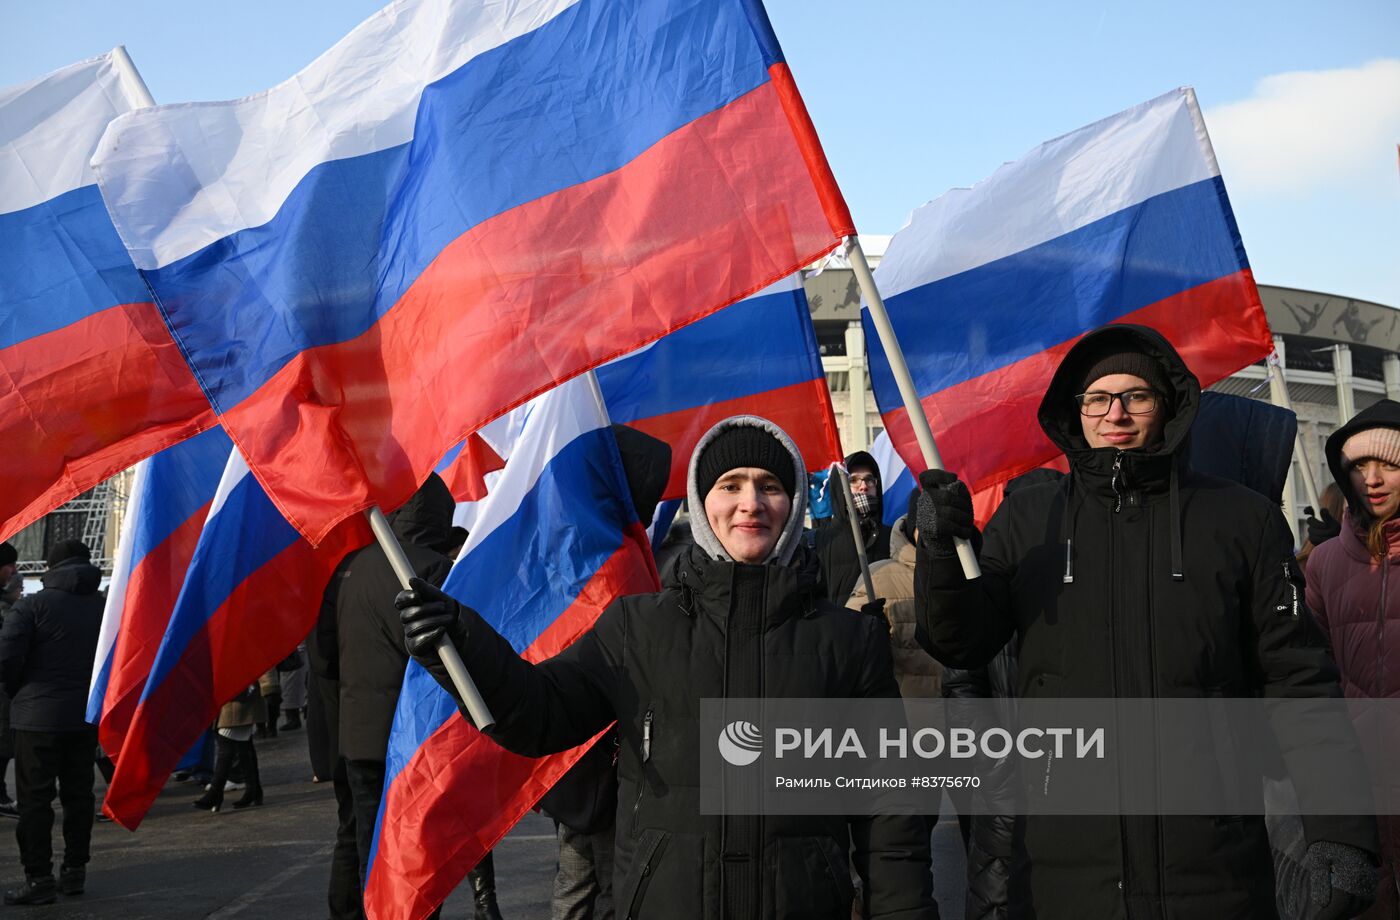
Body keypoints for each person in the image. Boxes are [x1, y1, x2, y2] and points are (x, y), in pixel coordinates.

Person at [913, 323, 1379, 919]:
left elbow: (1300, 683)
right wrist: (939, 551)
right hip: (1066, 863)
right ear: (1074, 411)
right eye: (1098, 398)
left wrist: (1340, 829)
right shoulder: (1030, 518)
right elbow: (959, 638)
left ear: (1169, 406)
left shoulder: (1243, 520)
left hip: (1213, 862)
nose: (1117, 413)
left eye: (1137, 395)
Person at [397, 415, 938, 919]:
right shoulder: (637, 627)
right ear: (703, 504)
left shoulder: (848, 639)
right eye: (730, 485)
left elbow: (888, 811)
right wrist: (462, 643)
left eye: (769, 486)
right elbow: (540, 711)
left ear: (794, 504)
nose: (750, 503)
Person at [319, 473, 462, 919]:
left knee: (366, 843)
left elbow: (325, 657)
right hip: (414, 741)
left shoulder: (349, 568)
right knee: (415, 855)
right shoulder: (435, 569)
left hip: (359, 737)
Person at [1305, 399, 1400, 918]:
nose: (1372, 478)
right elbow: (1307, 671)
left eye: (1388, 463)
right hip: (1356, 786)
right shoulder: (1321, 563)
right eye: (1358, 467)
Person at [0, 540, 103, 905]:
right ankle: (75, 871)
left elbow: (7, 660)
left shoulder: (31, 606)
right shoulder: (106, 607)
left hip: (36, 718)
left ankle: (39, 877)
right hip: (84, 717)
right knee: (78, 796)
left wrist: (21, 694)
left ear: (51, 567)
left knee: (34, 801)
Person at [815, 451, 892, 602]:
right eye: (854, 480)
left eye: (869, 480)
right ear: (840, 487)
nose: (863, 486)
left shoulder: (892, 537)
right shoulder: (821, 541)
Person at [193, 684, 266, 812]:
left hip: (240, 697)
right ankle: (253, 789)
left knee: (227, 745)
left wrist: (271, 687)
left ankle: (216, 791)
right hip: (232, 697)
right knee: (243, 746)